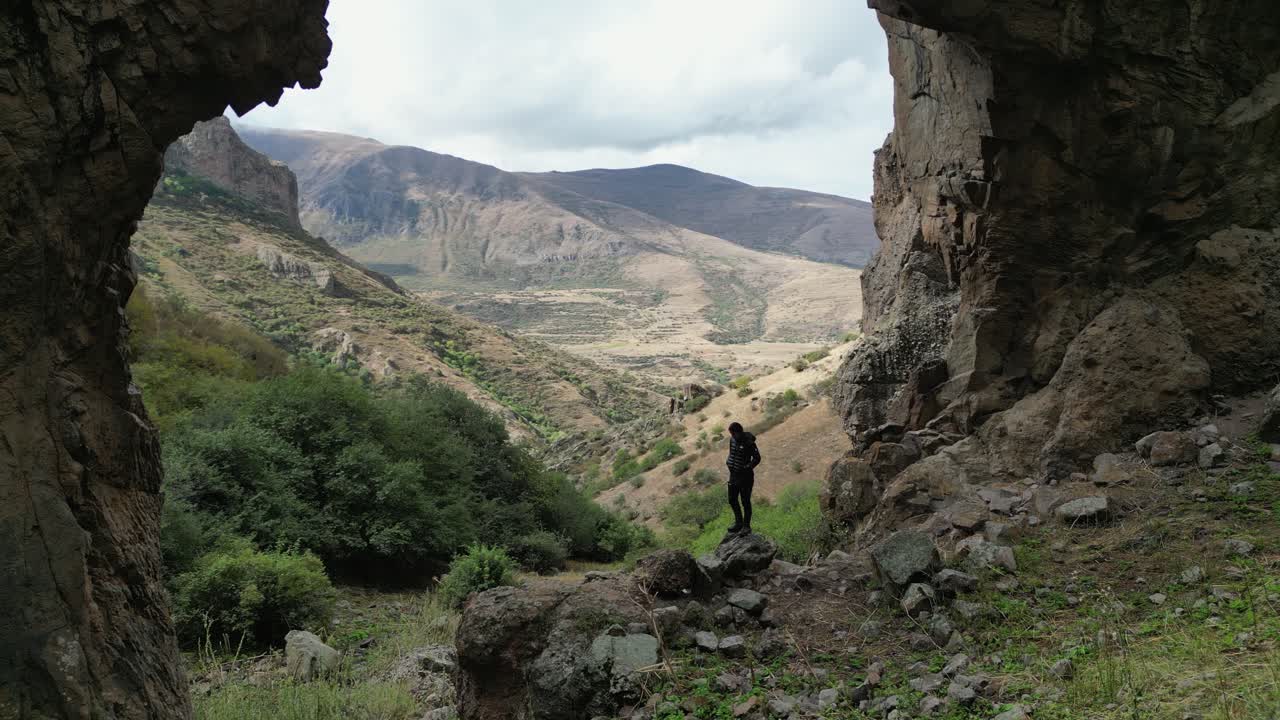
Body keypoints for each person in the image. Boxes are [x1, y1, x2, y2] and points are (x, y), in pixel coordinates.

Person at [725, 421, 761, 535]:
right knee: (732, 499)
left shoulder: (749, 442)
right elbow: (732, 454)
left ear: (738, 432)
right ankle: (738, 523)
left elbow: (757, 458)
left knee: (745, 501)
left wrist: (747, 467)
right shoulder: (732, 440)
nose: (732, 436)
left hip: (745, 477)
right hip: (734, 475)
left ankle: (746, 526)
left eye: (733, 433)